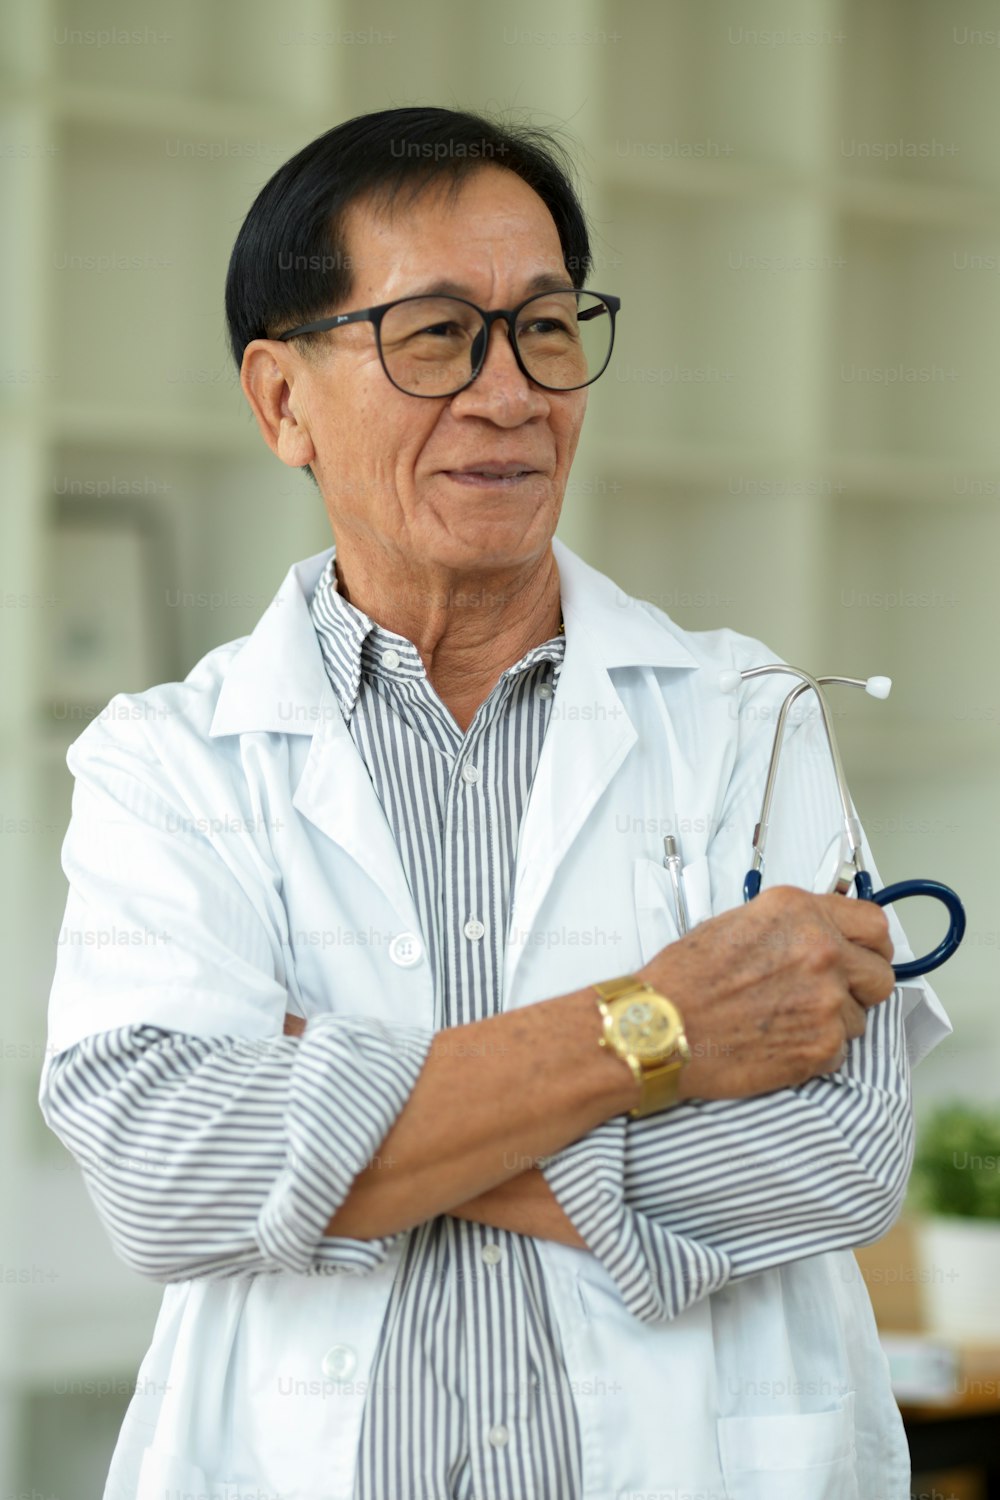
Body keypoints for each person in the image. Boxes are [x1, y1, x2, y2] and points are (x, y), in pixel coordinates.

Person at [39, 106, 950, 1500]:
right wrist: (659, 1028)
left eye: (545, 326)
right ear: (284, 402)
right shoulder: (168, 763)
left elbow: (838, 1156)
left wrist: (341, 1096)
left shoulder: (741, 721)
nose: (512, 391)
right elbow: (170, 1180)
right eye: (436, 335)